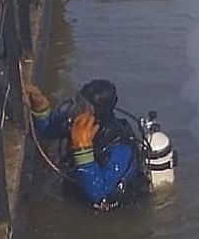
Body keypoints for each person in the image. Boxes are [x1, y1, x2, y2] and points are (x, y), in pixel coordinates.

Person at [24, 79, 145, 211]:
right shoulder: (78, 120)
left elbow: (98, 193)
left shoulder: (121, 149)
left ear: (99, 112)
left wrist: (82, 150)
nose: (77, 110)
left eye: (85, 107)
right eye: (78, 101)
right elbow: (48, 131)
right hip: (75, 189)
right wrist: (41, 110)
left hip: (109, 210)